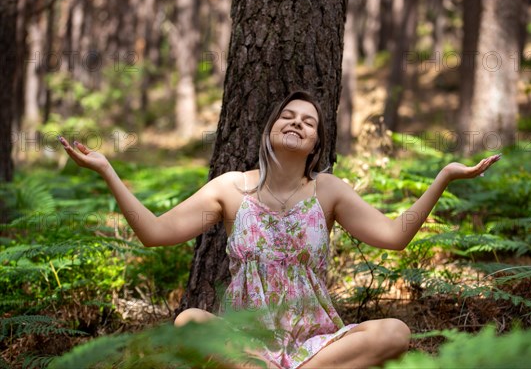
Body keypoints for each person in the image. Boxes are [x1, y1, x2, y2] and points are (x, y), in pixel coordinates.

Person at [59, 90, 501, 368]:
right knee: (190, 321)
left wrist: (443, 176)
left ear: (314, 145)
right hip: (246, 349)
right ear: (270, 130)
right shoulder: (231, 189)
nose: (297, 123)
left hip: (318, 348)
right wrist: (107, 170)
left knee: (396, 333)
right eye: (287, 116)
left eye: (308, 122)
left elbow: (394, 236)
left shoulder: (328, 191)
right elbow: (154, 232)